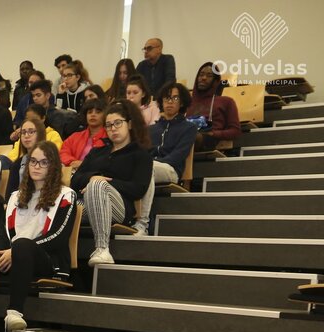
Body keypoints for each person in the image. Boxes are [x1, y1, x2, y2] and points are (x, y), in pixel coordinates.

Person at [0, 141, 78, 332]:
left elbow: (58, 237)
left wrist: (16, 251)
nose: (36, 166)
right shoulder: (15, 196)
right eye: (33, 161)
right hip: (14, 257)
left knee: (22, 245)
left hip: (48, 262)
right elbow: (3, 234)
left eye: (43, 162)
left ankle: (14, 313)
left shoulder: (66, 195)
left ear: (53, 166)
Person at [70, 100, 152, 266]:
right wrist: (93, 177)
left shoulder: (140, 153)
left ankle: (102, 249)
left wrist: (107, 183)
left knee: (97, 186)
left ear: (129, 124)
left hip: (119, 207)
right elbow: (75, 180)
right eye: (108, 125)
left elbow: (138, 188)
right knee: (57, 201)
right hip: (85, 204)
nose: (113, 128)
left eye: (118, 123)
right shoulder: (97, 152)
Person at [134, 82, 199, 234]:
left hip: (172, 170)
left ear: (182, 102)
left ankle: (143, 224)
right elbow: (143, 152)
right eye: (166, 98)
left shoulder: (189, 127)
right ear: (161, 101)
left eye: (175, 98)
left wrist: (151, 162)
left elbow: (178, 156)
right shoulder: (151, 129)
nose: (170, 102)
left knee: (146, 167)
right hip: (150, 167)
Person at [188, 62, 242, 152]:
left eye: (209, 76)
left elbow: (235, 131)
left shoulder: (226, 102)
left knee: (190, 137)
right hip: (185, 137)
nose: (204, 78)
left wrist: (213, 134)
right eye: (201, 75)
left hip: (207, 139)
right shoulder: (186, 102)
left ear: (216, 81)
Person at [60, 99, 108, 169]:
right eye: (90, 112)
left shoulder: (109, 138)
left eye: (98, 112)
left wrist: (83, 164)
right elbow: (63, 152)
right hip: (73, 171)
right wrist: (72, 161)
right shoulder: (75, 136)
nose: (93, 115)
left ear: (105, 115)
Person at [6, 115, 48, 193]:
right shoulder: (17, 165)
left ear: (40, 134)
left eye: (31, 132)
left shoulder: (50, 161)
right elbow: (9, 195)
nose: (26, 136)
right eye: (23, 132)